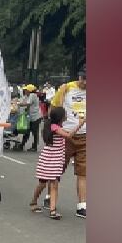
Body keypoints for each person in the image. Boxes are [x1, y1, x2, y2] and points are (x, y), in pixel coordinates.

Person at [31, 106, 81, 220]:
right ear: (61, 117)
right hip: (51, 159)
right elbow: (68, 136)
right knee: (43, 183)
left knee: (53, 184)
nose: (66, 116)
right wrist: (80, 124)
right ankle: (34, 201)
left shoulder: (54, 126)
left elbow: (66, 133)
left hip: (54, 159)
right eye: (65, 114)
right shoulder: (54, 127)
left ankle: (52, 210)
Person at [51, 66, 87, 217]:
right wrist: (52, 130)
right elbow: (54, 109)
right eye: (84, 79)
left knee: (83, 171)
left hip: (85, 136)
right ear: (79, 77)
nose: (85, 83)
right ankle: (50, 198)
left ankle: (82, 205)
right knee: (58, 169)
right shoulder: (66, 88)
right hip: (65, 135)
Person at [17, 83, 43, 151]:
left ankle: (34, 147)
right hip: (30, 116)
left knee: (34, 132)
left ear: (30, 90)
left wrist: (19, 104)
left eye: (26, 90)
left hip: (36, 117)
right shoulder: (27, 96)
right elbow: (23, 101)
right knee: (27, 131)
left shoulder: (33, 95)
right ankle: (22, 145)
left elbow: (28, 104)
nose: (25, 91)